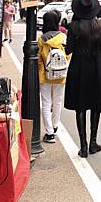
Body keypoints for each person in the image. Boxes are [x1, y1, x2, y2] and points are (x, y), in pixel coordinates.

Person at [64, 0, 101, 157]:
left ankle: (83, 145)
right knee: (96, 105)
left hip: (79, 67)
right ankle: (93, 142)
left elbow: (69, 49)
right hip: (97, 67)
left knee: (80, 106)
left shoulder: (73, 27)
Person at [38, 11, 69, 143]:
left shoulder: (42, 39)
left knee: (46, 102)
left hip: (45, 75)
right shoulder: (63, 37)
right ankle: (55, 126)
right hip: (61, 74)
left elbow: (39, 59)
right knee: (57, 101)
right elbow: (68, 55)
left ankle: (49, 133)